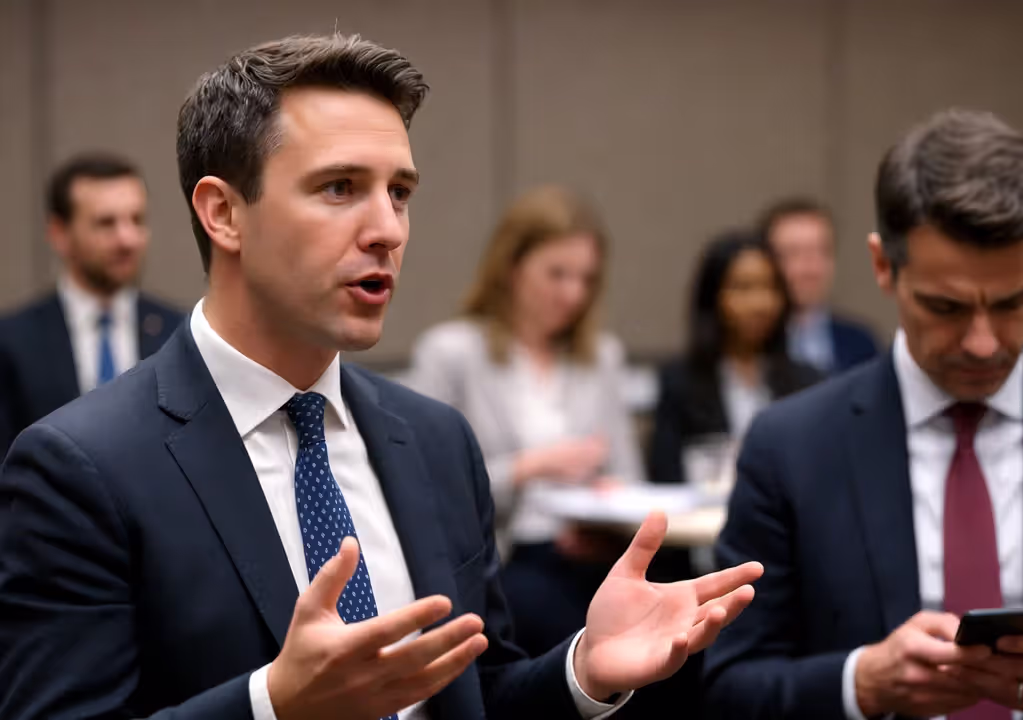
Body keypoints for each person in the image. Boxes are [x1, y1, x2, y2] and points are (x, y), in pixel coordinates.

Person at [0, 34, 762, 720]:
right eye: (339, 188)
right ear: (223, 213)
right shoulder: (82, 467)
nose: (388, 229)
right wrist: (273, 706)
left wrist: (581, 671)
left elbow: (475, 691)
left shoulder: (433, 441)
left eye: (399, 192)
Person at [704, 109, 1023, 719]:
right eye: (946, 307)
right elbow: (729, 688)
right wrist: (860, 685)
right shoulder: (790, 446)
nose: (983, 342)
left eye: (1013, 302)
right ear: (882, 266)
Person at [406, 185, 645, 657]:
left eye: (586, 279)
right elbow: (425, 487)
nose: (573, 293)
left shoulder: (601, 357)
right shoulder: (452, 353)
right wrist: (528, 467)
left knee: (676, 619)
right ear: (511, 268)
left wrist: (608, 511)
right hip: (505, 557)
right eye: (557, 274)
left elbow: (630, 478)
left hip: (591, 551)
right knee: (571, 627)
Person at [0, 153, 183, 456]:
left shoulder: (178, 333)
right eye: (106, 223)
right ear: (59, 234)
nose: (127, 239)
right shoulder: (14, 343)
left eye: (136, 220)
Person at [648, 230, 822, 488]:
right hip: (700, 523)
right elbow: (664, 476)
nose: (759, 303)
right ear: (714, 297)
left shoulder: (807, 382)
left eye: (770, 287)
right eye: (743, 288)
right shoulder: (680, 381)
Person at [759, 198, 878, 375]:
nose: (810, 269)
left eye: (822, 252)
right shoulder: (751, 346)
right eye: (793, 254)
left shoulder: (861, 344)